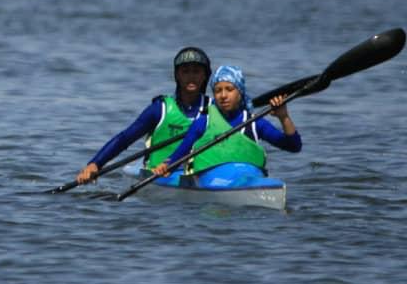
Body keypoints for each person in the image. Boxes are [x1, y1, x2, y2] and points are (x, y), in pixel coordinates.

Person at [75, 46, 212, 184]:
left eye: (196, 71)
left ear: (205, 75)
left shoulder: (214, 108)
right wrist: (95, 164)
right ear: (177, 75)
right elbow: (125, 139)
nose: (191, 76)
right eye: (185, 71)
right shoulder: (160, 109)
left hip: (202, 175)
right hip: (160, 175)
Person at [152, 65, 300, 178]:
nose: (223, 95)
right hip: (210, 181)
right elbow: (180, 153)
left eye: (229, 89)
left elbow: (294, 146)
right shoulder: (204, 122)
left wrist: (283, 117)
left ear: (240, 93)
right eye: (218, 90)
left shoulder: (255, 123)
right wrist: (165, 166)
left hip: (246, 181)